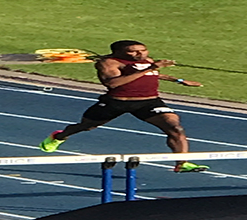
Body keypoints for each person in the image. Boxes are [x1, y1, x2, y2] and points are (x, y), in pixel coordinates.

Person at [38, 40, 209, 173]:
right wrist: (150, 67)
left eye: (143, 50)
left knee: (176, 128)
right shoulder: (108, 64)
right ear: (119, 52)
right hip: (117, 101)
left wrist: (178, 80)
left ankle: (182, 163)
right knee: (87, 126)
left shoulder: (146, 61)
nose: (140, 54)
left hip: (149, 102)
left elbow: (153, 73)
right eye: (133, 51)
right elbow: (114, 83)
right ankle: (59, 136)